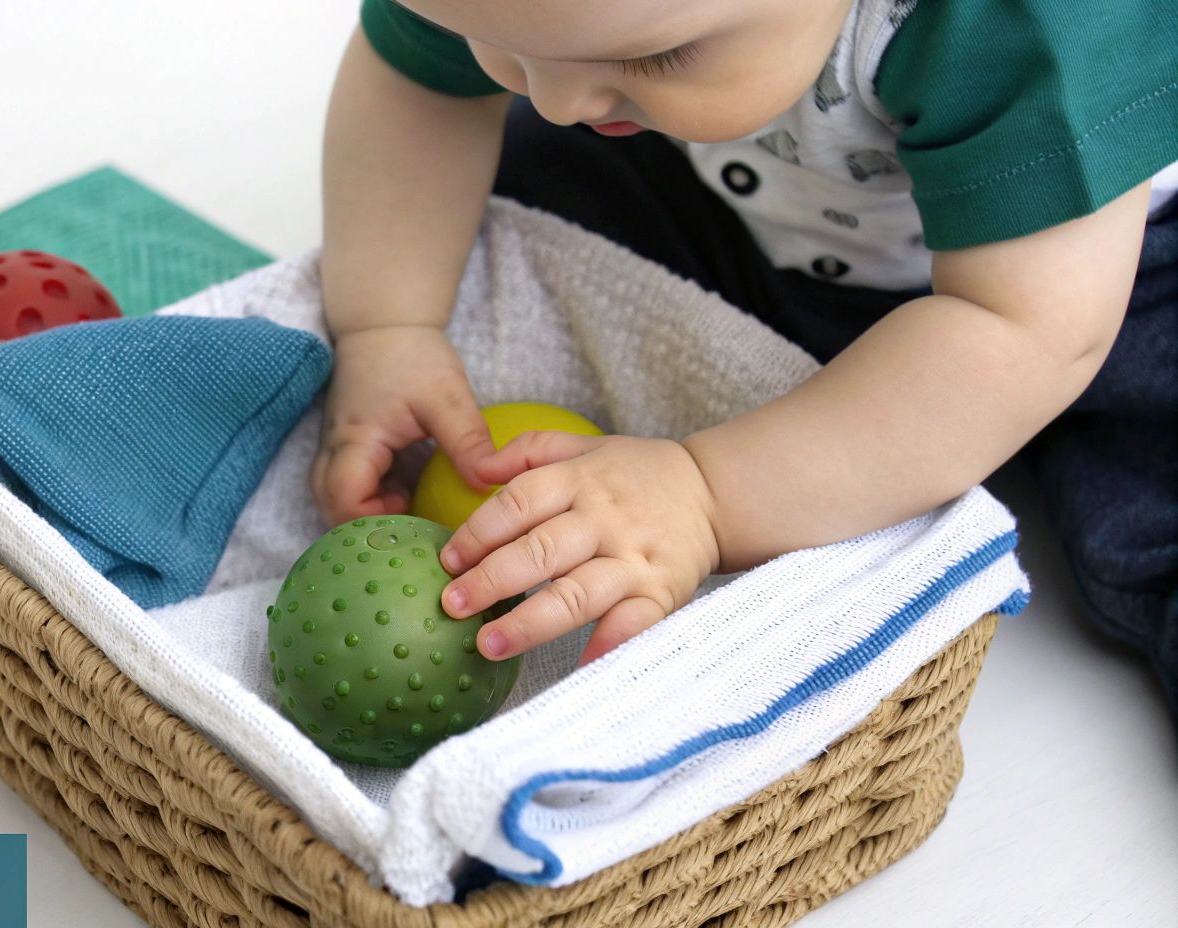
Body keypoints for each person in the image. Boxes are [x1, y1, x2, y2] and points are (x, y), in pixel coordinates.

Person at [311, 0, 1178, 706]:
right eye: (493, 42)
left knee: (1150, 491)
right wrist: (389, 325)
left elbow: (1024, 332)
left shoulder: (1023, 24)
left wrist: (706, 493)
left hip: (1092, 271)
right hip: (754, 205)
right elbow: (418, 87)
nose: (558, 98)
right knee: (503, 198)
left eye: (657, 57)